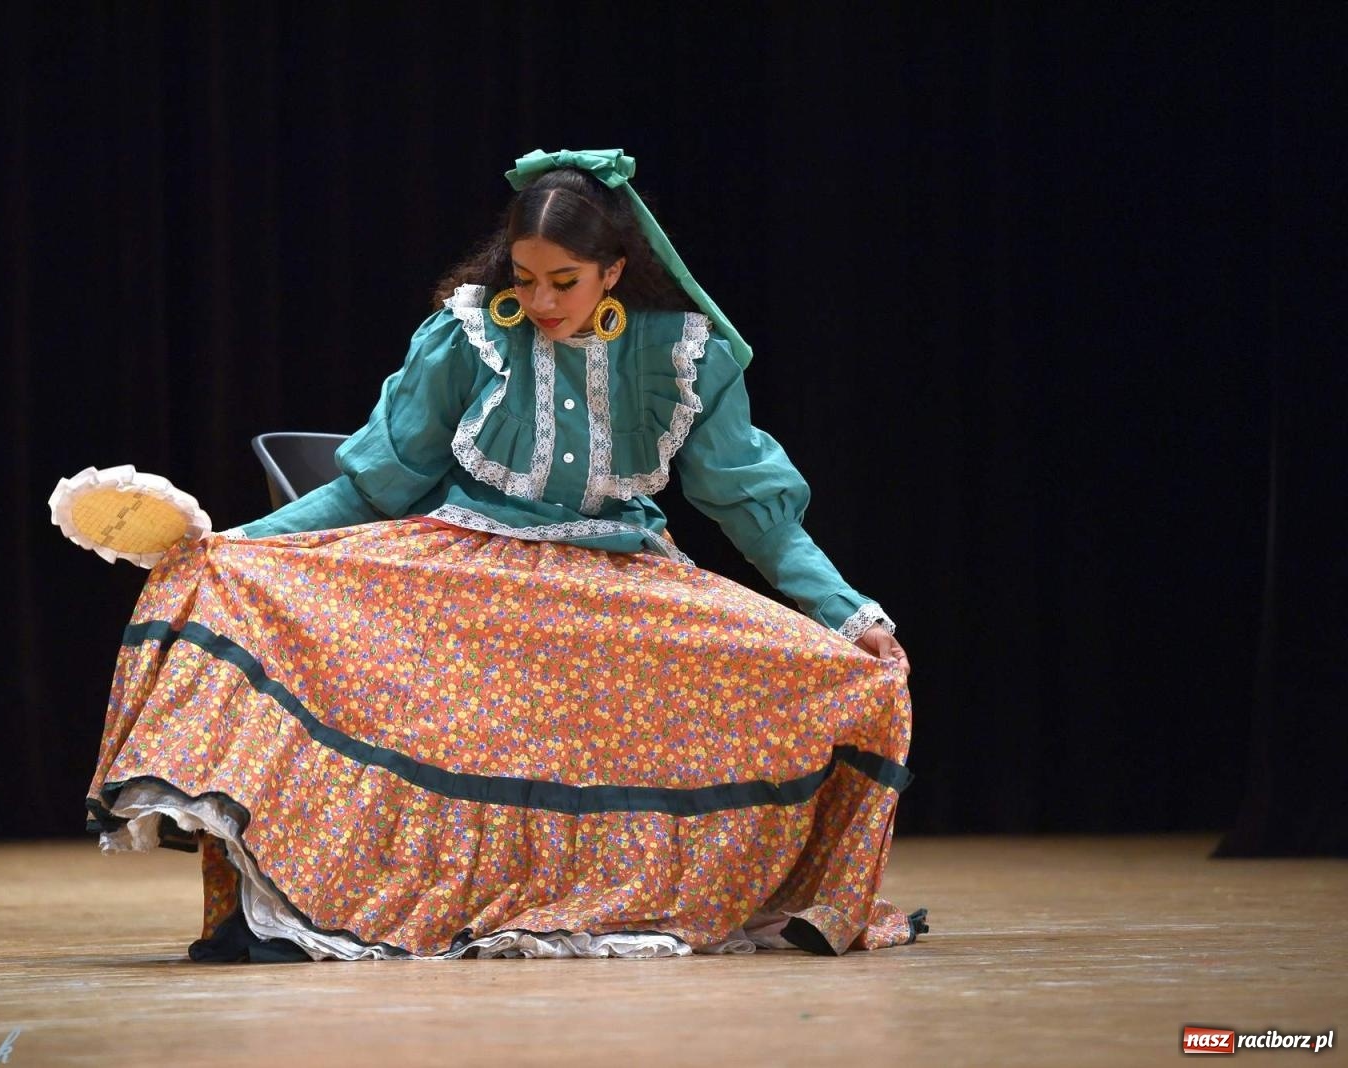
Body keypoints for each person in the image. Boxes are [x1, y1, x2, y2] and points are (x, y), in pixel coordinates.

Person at [85, 148, 923, 961]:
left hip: (614, 576)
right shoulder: (470, 334)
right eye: (525, 279)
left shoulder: (681, 355)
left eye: (564, 281)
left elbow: (754, 511)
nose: (542, 300)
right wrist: (234, 550)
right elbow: (371, 488)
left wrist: (848, 611)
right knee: (268, 604)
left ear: (615, 271)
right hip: (474, 569)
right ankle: (306, 900)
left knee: (828, 669)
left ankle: (731, 894)